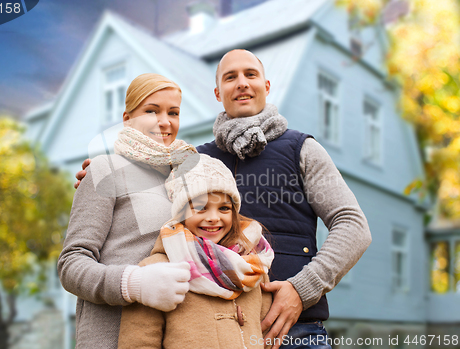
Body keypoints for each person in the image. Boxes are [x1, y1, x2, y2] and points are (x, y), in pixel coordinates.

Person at [75, 49, 372, 349]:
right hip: (217, 334)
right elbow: (145, 174)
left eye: (251, 74)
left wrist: (301, 289)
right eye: (230, 77)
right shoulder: (192, 160)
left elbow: (353, 226)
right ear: (218, 93)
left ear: (267, 87)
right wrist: (105, 171)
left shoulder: (301, 149)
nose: (241, 83)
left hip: (297, 331)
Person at [58, 73, 200, 348]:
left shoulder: (189, 179)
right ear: (127, 119)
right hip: (111, 335)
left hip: (176, 335)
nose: (165, 121)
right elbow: (72, 263)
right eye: (151, 110)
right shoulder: (104, 170)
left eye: (174, 112)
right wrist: (134, 283)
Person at [118, 154, 275, 348]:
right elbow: (139, 343)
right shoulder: (155, 270)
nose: (213, 218)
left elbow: (267, 337)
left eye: (224, 208)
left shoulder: (253, 267)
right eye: (200, 208)